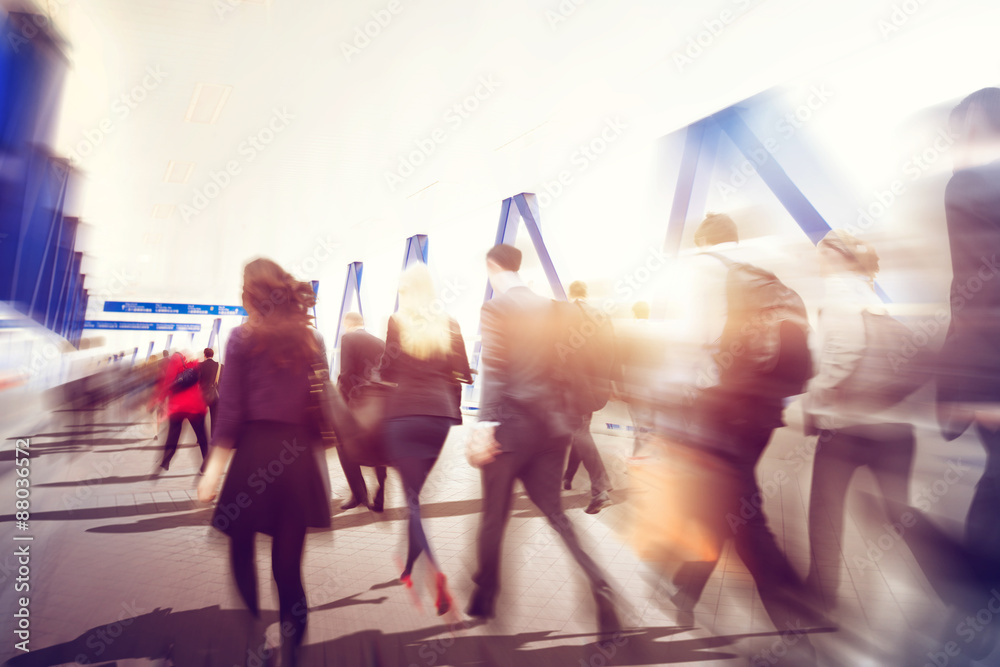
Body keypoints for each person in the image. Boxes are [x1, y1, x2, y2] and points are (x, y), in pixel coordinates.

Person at [667, 213, 819, 661]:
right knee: (727, 503)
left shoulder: (706, 273)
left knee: (746, 517)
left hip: (720, 412)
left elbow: (693, 342)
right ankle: (685, 588)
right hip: (763, 415)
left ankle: (794, 623)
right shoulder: (768, 276)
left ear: (703, 243)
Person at [466, 244, 621, 632]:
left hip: (510, 430)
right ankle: (600, 585)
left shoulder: (496, 308)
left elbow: (496, 370)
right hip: (552, 430)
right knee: (556, 516)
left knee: (494, 518)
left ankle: (485, 596)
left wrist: (484, 426)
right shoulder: (557, 309)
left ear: (492, 268)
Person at [197, 258, 332, 667]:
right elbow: (320, 409)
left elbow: (231, 413)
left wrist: (211, 473)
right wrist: (320, 472)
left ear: (249, 294)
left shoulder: (241, 338)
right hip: (297, 461)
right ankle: (292, 655)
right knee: (288, 570)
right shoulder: (312, 340)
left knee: (241, 550)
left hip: (254, 456)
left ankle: (255, 638)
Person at [803, 230, 917, 612]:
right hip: (891, 425)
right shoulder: (870, 295)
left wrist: (819, 392)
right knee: (901, 514)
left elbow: (845, 351)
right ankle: (958, 579)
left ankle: (821, 590)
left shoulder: (838, 293)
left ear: (838, 258)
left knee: (824, 509)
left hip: (847, 426)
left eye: (823, 256)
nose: (819, 263)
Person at [933, 87, 1000, 660]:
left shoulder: (971, 184)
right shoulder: (976, 184)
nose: (957, 146)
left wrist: (972, 382)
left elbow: (973, 289)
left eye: (962, 133)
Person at [378, 264, 471, 615]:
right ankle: (407, 566)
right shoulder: (449, 322)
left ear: (405, 290)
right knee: (415, 497)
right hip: (440, 417)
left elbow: (386, 368)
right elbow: (463, 370)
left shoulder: (397, 321)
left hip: (404, 414)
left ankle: (434, 573)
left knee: (413, 501)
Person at [560, 280, 615, 514]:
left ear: (570, 294)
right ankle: (567, 478)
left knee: (580, 432)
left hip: (574, 386)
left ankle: (601, 488)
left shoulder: (564, 314)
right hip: (595, 386)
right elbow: (612, 350)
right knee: (580, 430)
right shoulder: (602, 315)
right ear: (586, 294)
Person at [336, 312, 388, 512]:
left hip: (355, 402)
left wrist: (343, 401)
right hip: (377, 404)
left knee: (343, 446)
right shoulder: (379, 342)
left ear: (347, 323)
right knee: (377, 447)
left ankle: (359, 494)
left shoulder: (348, 338)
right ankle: (381, 490)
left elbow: (347, 373)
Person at [154, 350, 209, 473]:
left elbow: (168, 382)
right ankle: (206, 463)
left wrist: (161, 400)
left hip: (178, 406)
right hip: (195, 405)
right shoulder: (193, 364)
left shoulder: (174, 361)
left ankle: (166, 461)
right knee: (201, 436)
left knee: (173, 435)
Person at [199, 347, 222, 437]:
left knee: (201, 417)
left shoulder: (200, 365)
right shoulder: (219, 366)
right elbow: (221, 380)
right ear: (212, 355)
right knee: (214, 416)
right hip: (214, 394)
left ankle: (201, 436)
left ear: (204, 355)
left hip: (203, 395)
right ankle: (213, 436)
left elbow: (198, 380)